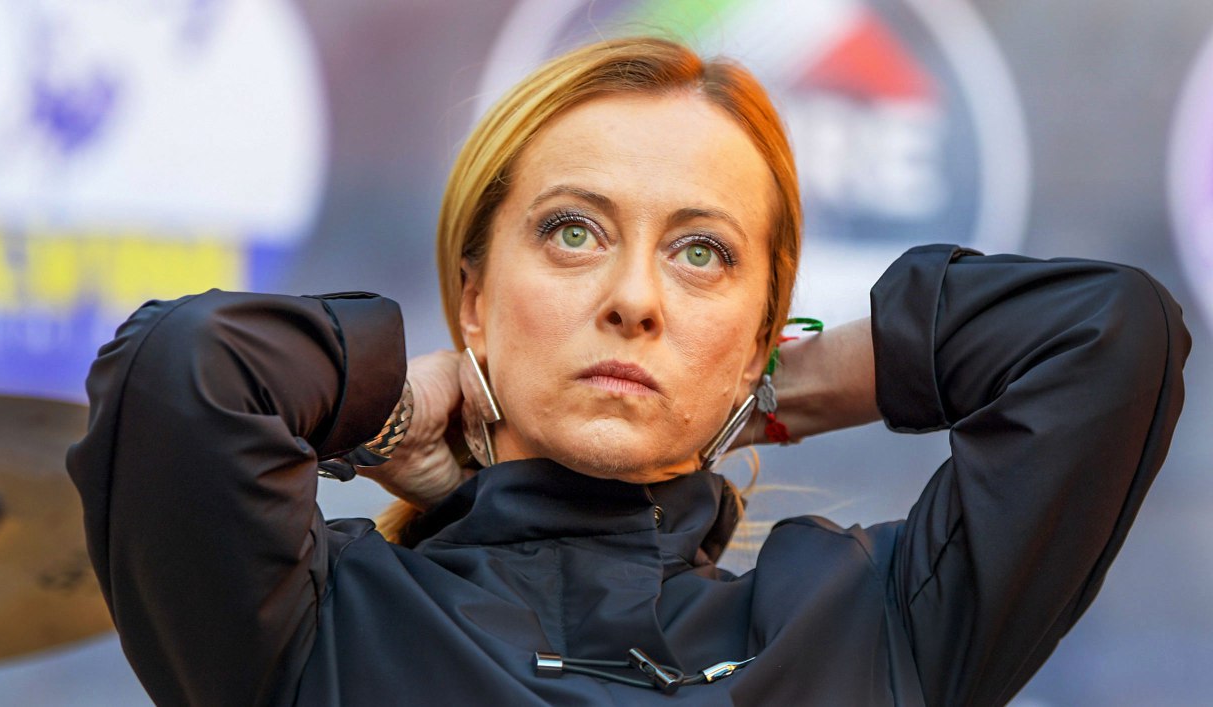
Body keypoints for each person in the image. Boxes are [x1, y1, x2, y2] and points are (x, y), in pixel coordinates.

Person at [66, 37, 1190, 706]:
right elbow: (179, 371)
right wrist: (401, 405)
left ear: (759, 326)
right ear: (473, 297)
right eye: (573, 231)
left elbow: (1107, 336)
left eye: (701, 253)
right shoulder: (318, 626)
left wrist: (772, 389)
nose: (635, 297)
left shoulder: (873, 625)